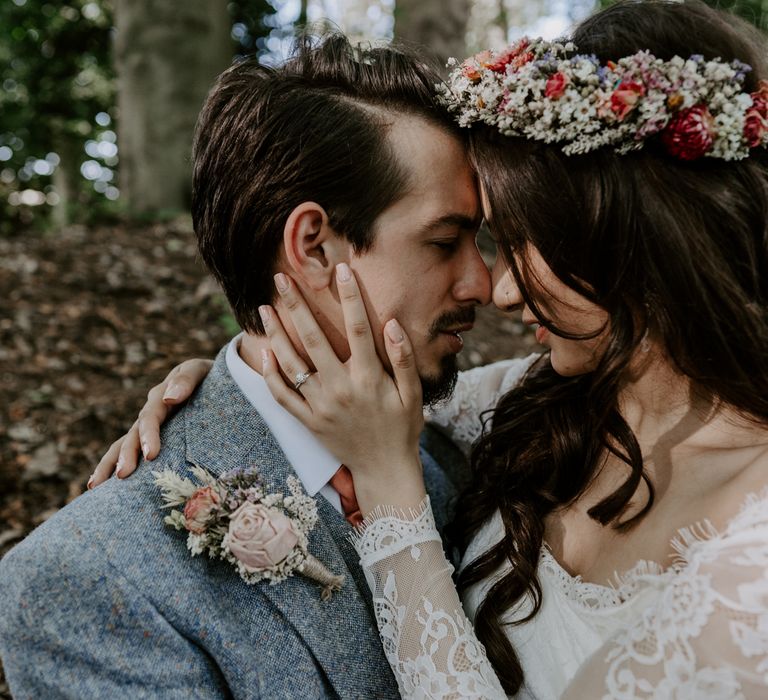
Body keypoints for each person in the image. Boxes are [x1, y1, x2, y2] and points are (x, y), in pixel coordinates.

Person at [101, 1, 768, 697]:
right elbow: (311, 391)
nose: (499, 290)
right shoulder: (527, 402)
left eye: (516, 243)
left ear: (628, 236)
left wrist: (390, 487)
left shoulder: (756, 546)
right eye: (455, 242)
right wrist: (218, 383)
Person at [0, 34, 492, 698]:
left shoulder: (466, 455)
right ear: (313, 247)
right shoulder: (94, 576)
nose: (480, 284)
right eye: (443, 242)